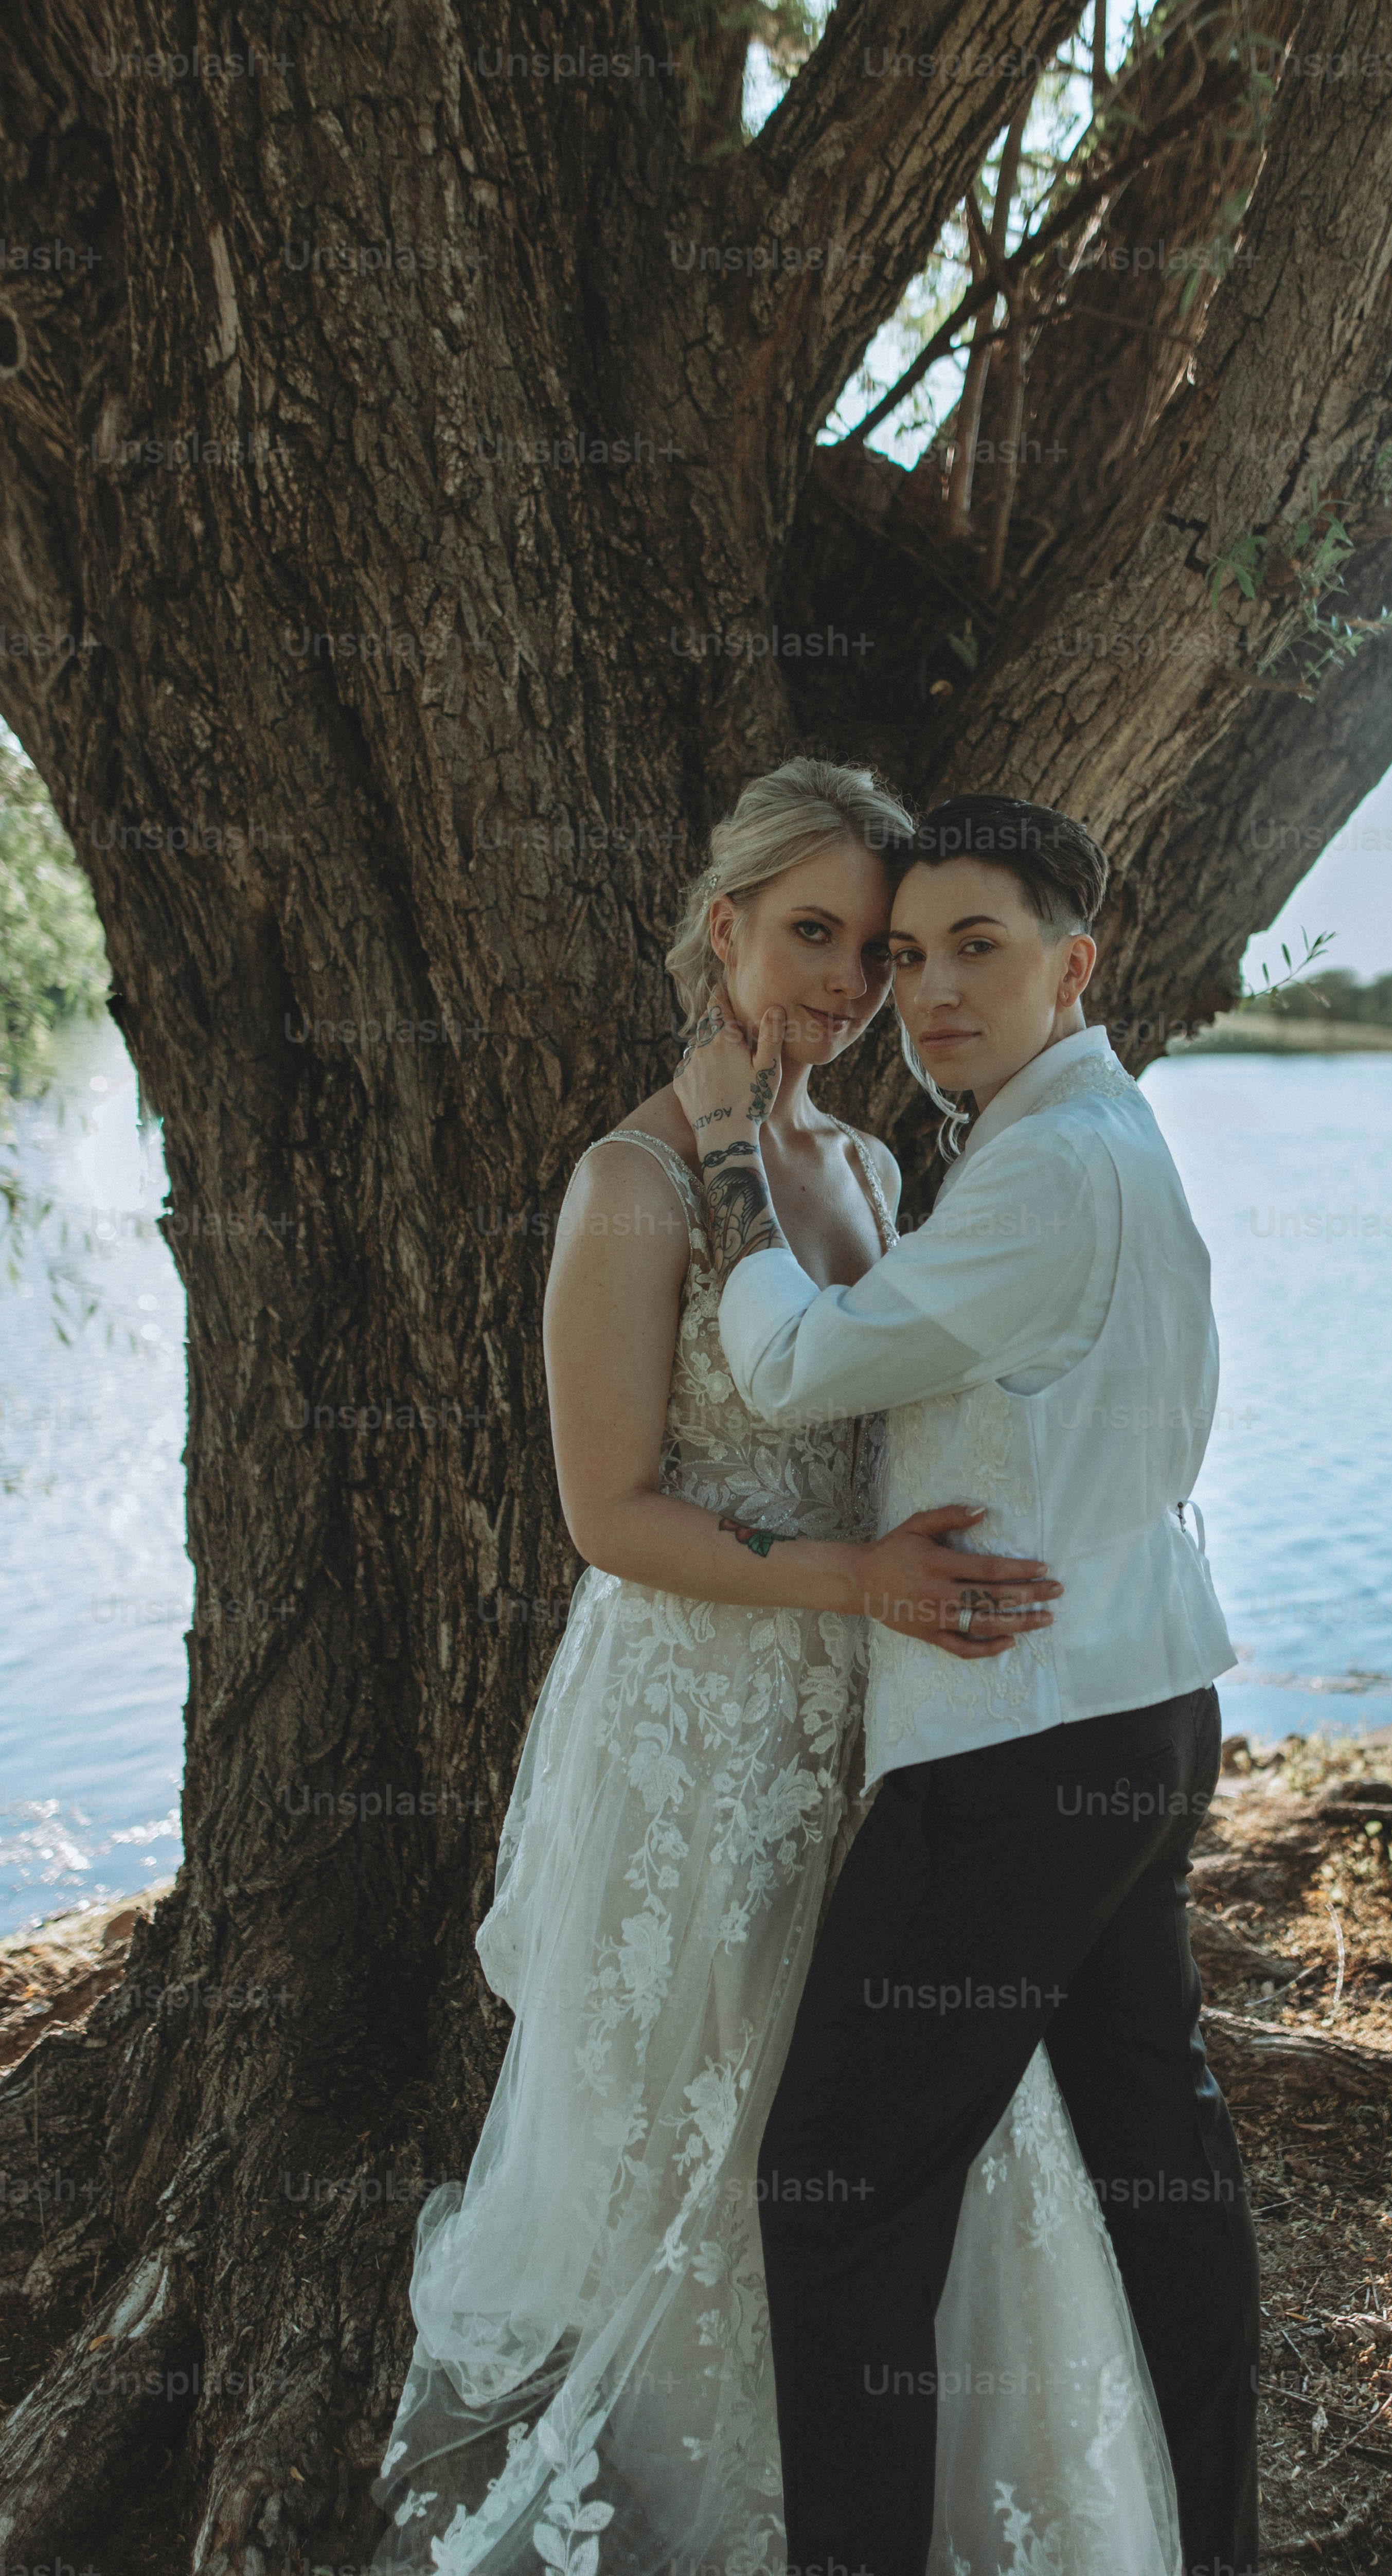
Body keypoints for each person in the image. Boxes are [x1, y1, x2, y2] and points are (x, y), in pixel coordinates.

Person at [368, 760, 1181, 2576]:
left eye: (875, 953)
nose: (845, 983)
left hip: (872, 1722)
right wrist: (862, 1583)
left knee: (874, 2139)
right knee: (709, 2137)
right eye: (810, 934)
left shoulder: (879, 1164)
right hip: (703, 1714)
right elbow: (609, 1513)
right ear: (723, 930)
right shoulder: (632, 1184)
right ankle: (692, 2514)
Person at [672, 791, 1259, 2576]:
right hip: (1138, 1705)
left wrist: (723, 1161)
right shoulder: (1079, 1133)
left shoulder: (1054, 1168)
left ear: (1077, 964)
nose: (925, 993)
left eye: (975, 950)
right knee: (1158, 2146)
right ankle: (1213, 2542)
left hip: (1020, 1747)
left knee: (837, 2194)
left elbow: (793, 1367)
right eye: (905, 956)